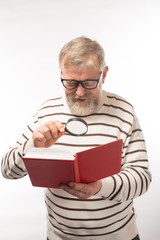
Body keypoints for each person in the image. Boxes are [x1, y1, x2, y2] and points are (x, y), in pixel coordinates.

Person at [1, 36, 151, 240]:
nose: (79, 92)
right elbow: (7, 171)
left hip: (119, 236)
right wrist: (33, 147)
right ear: (61, 74)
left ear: (103, 74)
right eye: (70, 83)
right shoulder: (47, 111)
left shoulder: (123, 110)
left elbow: (142, 178)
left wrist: (99, 187)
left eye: (89, 82)